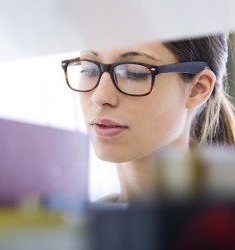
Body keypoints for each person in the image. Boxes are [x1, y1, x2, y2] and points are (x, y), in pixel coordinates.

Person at [61, 33, 235, 202]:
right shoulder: (81, 227)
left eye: (134, 73)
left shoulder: (221, 225)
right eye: (89, 69)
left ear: (198, 88)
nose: (100, 97)